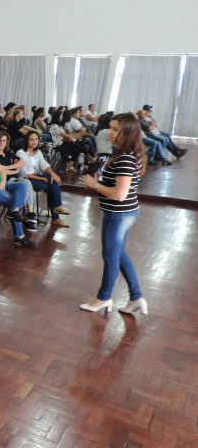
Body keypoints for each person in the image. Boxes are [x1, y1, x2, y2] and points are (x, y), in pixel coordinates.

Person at [79, 113, 148, 315]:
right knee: (118, 254)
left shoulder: (125, 157)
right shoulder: (125, 153)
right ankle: (136, 297)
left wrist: (96, 185)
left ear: (128, 132)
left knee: (110, 257)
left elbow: (119, 194)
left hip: (119, 213)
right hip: (124, 212)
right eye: (111, 127)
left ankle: (103, 298)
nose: (110, 131)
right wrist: (98, 185)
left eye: (116, 129)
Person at [16, 131, 70, 228]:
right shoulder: (21, 153)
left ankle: (58, 209)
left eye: (36, 139)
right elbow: (23, 173)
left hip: (37, 176)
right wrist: (40, 178)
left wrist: (53, 174)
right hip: (26, 179)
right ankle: (56, 216)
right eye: (31, 139)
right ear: (26, 141)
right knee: (51, 187)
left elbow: (44, 165)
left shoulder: (38, 152)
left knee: (52, 179)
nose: (34, 142)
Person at [0, 131, 38, 232]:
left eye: (4, 141)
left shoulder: (8, 152)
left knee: (26, 184)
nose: (2, 143)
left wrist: (7, 167)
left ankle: (29, 214)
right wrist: (14, 169)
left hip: (14, 179)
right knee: (26, 184)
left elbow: (22, 162)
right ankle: (27, 214)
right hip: (3, 182)